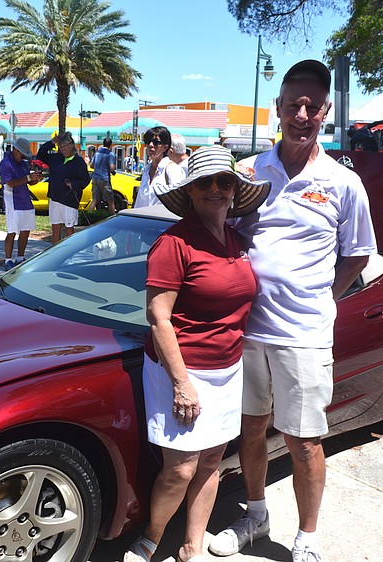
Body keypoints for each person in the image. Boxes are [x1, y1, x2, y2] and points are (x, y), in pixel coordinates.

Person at [209, 60, 377, 562]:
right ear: (278, 108)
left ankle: (307, 538)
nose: (302, 115)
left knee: (303, 441)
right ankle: (256, 515)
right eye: (293, 105)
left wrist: (326, 297)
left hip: (303, 334)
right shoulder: (248, 173)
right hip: (247, 329)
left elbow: (358, 253)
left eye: (312, 106)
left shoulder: (343, 183)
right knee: (251, 428)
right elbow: (224, 236)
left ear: (325, 112)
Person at [125, 146, 270, 562]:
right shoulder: (174, 243)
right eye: (204, 182)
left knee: (211, 461)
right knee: (182, 467)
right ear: (189, 191)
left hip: (228, 368)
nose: (215, 189)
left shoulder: (236, 241)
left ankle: (192, 545)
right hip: (182, 370)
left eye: (224, 181)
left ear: (234, 190)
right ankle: (151, 538)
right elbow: (158, 318)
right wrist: (182, 384)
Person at [36, 131, 91, 244]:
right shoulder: (56, 158)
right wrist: (51, 142)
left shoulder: (79, 162)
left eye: (64, 146)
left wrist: (74, 184)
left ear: (71, 145)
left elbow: (85, 180)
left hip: (69, 200)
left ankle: (68, 252)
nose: (63, 149)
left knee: (69, 229)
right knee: (55, 228)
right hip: (55, 198)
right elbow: (41, 154)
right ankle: (55, 252)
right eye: (60, 147)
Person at [0, 137, 42, 270]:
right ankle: (8, 260)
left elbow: (27, 181)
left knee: (25, 231)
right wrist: (28, 177)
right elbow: (10, 183)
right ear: (16, 150)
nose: (23, 157)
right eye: (22, 154)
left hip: (25, 201)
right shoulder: (6, 163)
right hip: (12, 201)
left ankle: (20, 257)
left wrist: (35, 179)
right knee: (12, 231)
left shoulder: (23, 164)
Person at [134, 127, 185, 209]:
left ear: (165, 147)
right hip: (144, 216)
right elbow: (139, 203)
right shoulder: (146, 171)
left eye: (156, 142)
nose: (151, 145)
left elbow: (180, 201)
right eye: (148, 141)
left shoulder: (172, 169)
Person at [87, 137, 117, 213]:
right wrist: (113, 171)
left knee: (95, 200)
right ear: (110, 145)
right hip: (104, 178)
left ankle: (89, 215)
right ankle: (112, 216)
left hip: (95, 177)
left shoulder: (97, 153)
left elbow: (91, 165)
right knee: (110, 201)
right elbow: (111, 168)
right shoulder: (110, 154)